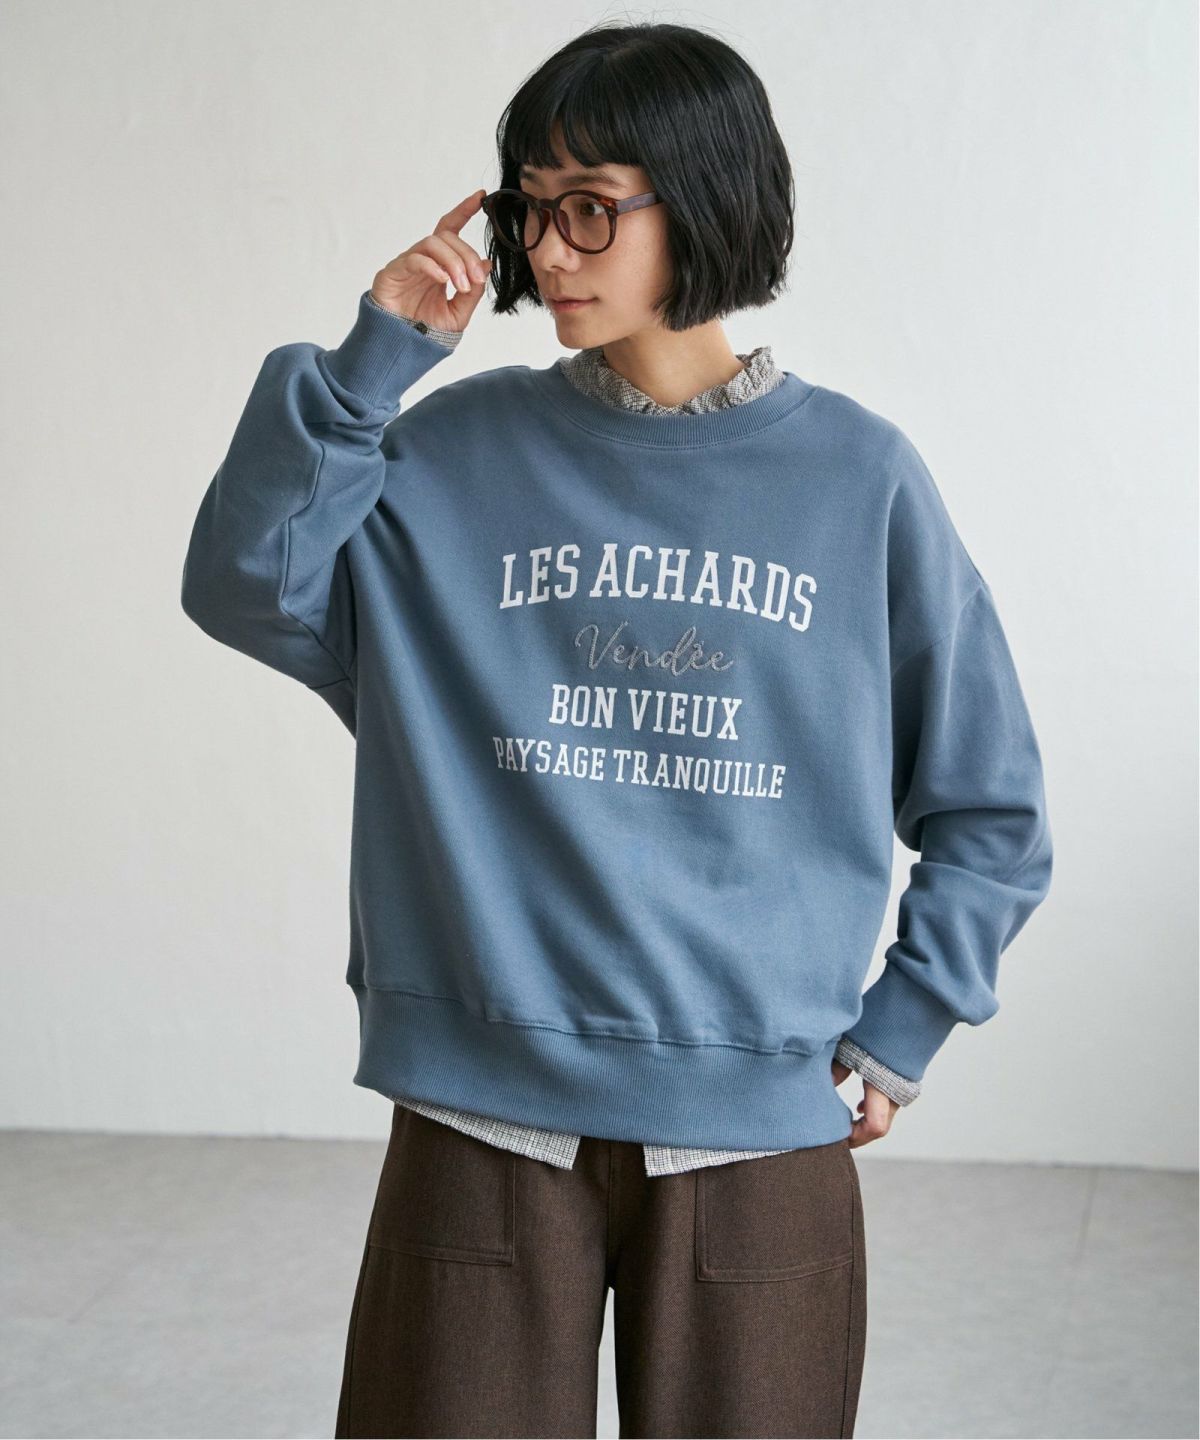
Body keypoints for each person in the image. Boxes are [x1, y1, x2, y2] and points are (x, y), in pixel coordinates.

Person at [180, 21, 1053, 1440]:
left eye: (591, 206)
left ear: (701, 200)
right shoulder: (442, 456)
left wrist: (906, 1024)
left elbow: (990, 803)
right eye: (532, 207)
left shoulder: (859, 481)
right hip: (478, 1108)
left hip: (757, 1125)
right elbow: (243, 581)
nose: (550, 248)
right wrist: (368, 368)